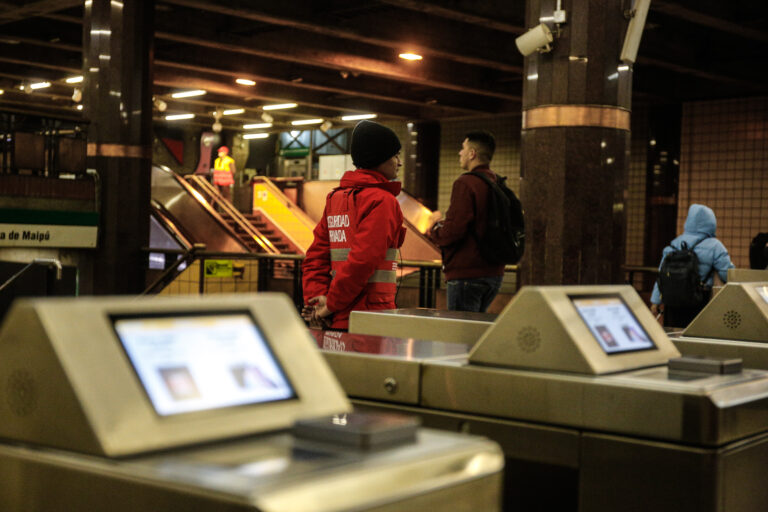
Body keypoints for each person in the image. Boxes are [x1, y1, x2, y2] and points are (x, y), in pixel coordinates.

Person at [301, 120, 406, 330]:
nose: (399, 162)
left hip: (335, 317)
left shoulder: (336, 199)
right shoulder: (382, 201)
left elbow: (315, 258)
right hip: (370, 317)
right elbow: (362, 261)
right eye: (395, 155)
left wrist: (317, 300)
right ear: (379, 159)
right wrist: (328, 305)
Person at [427, 130, 505, 312]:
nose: (459, 153)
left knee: (460, 335)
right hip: (494, 273)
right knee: (475, 332)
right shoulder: (497, 182)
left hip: (467, 274)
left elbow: (455, 230)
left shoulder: (466, 183)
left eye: (463, 148)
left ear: (472, 154)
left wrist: (434, 228)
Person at [650, 204, 734, 327]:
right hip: (699, 301)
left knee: (674, 337)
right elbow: (727, 274)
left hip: (672, 301)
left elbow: (661, 275)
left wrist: (655, 301)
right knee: (697, 339)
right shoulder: (715, 246)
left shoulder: (675, 243)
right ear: (711, 223)